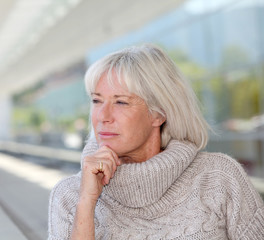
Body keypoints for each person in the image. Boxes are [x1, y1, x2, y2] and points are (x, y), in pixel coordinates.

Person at [48, 44, 264, 239]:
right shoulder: (70, 196)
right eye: (97, 100)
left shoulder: (219, 178)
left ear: (159, 114)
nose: (103, 115)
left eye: (121, 102)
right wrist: (87, 202)